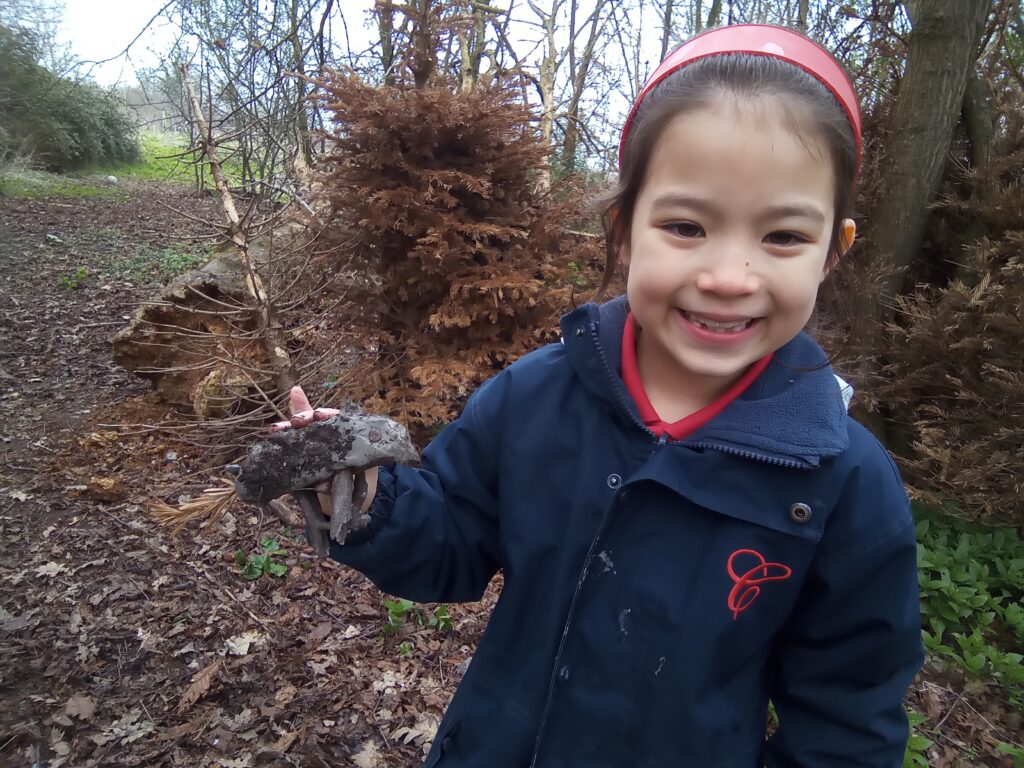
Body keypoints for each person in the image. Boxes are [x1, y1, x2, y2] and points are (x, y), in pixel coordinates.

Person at [277, 24, 923, 768]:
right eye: (686, 226)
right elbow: (452, 542)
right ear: (623, 232)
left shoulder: (845, 485)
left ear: (831, 253)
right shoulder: (535, 397)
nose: (729, 275)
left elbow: (847, 724)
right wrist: (364, 497)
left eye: (782, 237)